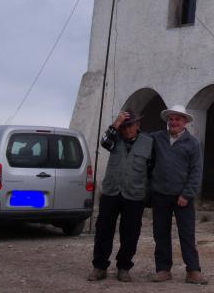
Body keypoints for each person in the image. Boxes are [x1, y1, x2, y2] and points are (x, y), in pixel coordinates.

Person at [88, 110, 153, 283]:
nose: (126, 130)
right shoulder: (114, 138)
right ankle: (99, 266)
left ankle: (124, 267)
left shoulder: (148, 142)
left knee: (131, 233)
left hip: (135, 195)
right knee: (103, 230)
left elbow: (152, 169)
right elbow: (103, 142)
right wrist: (115, 124)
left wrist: (147, 194)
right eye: (123, 127)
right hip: (111, 192)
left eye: (129, 125)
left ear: (137, 124)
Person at [150, 104, 207, 285]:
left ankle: (193, 270)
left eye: (177, 119)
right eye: (171, 119)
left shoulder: (193, 143)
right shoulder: (156, 138)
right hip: (160, 194)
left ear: (185, 122)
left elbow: (196, 171)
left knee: (187, 234)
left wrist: (187, 194)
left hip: (182, 196)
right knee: (160, 233)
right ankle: (163, 270)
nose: (173, 122)